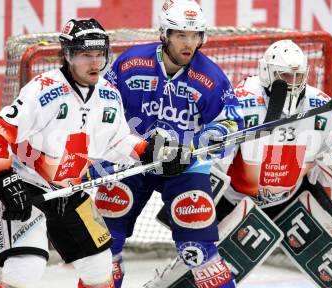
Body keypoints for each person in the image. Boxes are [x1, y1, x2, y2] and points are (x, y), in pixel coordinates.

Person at [0, 18, 188, 288]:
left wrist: (152, 153)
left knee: (100, 267)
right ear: (67, 55)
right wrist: (2, 178)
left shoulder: (109, 95)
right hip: (23, 187)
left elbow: (119, 140)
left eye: (100, 54)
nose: (95, 62)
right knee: (26, 268)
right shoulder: (43, 91)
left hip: (68, 191)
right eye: (86, 54)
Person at [94, 0, 243, 287]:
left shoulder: (211, 78)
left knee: (198, 251)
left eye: (195, 35)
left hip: (186, 167)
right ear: (164, 34)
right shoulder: (131, 63)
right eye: (180, 35)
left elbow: (230, 122)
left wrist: (198, 146)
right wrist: (113, 151)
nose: (189, 43)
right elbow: (104, 109)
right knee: (103, 245)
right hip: (134, 160)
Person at [215, 39, 332, 234]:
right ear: (267, 73)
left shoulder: (328, 112)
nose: (292, 84)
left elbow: (326, 177)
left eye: (298, 76)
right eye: (284, 76)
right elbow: (215, 166)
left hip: (292, 198)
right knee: (202, 248)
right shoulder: (240, 104)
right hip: (234, 199)